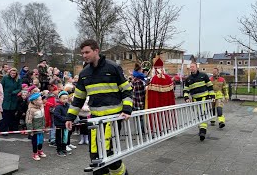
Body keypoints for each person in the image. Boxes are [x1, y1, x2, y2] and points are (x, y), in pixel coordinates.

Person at [65, 39, 132, 175]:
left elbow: (126, 90)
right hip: (95, 120)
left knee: (110, 156)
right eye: (82, 53)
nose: (84, 55)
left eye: (87, 52)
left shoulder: (113, 67)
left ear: (96, 51)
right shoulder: (84, 73)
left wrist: (127, 109)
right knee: (95, 156)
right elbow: (78, 98)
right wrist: (70, 117)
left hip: (113, 119)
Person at [183, 62, 215, 141]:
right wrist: (186, 98)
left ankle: (202, 131)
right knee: (199, 114)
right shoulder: (188, 79)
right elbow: (185, 90)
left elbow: (210, 86)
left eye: (193, 67)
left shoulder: (203, 76)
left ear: (196, 67)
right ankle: (201, 129)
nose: (192, 68)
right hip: (195, 100)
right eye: (190, 67)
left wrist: (212, 96)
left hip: (204, 98)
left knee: (203, 113)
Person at [145, 57, 176, 133]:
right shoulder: (168, 78)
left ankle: (156, 130)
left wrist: (147, 88)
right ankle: (168, 128)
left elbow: (150, 92)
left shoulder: (154, 78)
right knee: (166, 114)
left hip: (156, 103)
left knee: (156, 115)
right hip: (167, 103)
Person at [26, 93, 47, 161]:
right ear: (35, 101)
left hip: (41, 127)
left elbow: (43, 117)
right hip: (34, 129)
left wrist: (44, 126)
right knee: (35, 141)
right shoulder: (31, 110)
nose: (42, 101)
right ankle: (35, 153)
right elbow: (29, 121)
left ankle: (39, 150)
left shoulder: (41, 107)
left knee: (41, 140)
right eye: (40, 100)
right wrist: (30, 130)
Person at [0, 68, 22, 133]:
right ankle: (3, 130)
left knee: (12, 115)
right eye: (12, 73)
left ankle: (11, 128)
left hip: (13, 99)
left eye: (14, 73)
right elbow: (1, 86)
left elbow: (19, 88)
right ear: (9, 73)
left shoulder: (18, 79)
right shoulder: (5, 78)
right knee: (4, 115)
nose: (13, 74)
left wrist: (14, 92)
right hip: (6, 98)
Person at [53, 90, 72, 156]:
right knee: (59, 138)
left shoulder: (68, 106)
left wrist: (70, 119)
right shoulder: (58, 106)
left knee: (65, 137)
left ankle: (64, 148)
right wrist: (65, 119)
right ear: (59, 99)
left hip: (65, 125)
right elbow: (57, 115)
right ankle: (59, 150)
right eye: (63, 98)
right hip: (59, 125)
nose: (65, 100)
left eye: (66, 98)